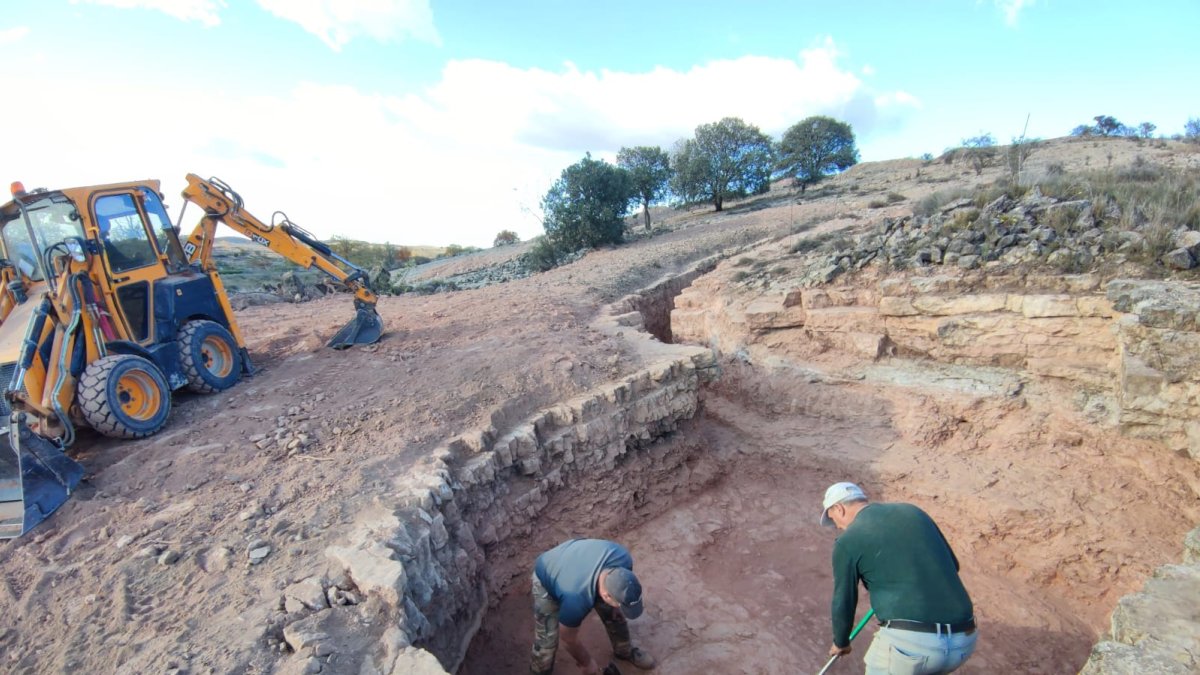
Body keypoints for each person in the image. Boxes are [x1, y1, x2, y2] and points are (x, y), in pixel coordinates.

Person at [821, 482, 978, 675]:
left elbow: (843, 601)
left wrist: (841, 642)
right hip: (964, 642)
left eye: (834, 519)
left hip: (911, 649)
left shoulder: (847, 541)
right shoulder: (913, 512)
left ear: (839, 508)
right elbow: (953, 565)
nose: (837, 526)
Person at [530, 538, 657, 675]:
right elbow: (567, 638)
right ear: (605, 595)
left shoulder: (623, 561)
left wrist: (616, 607)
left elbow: (619, 587)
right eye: (620, 603)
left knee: (614, 614)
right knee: (547, 641)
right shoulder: (576, 597)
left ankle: (624, 651)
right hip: (547, 570)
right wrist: (586, 663)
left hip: (579, 558)